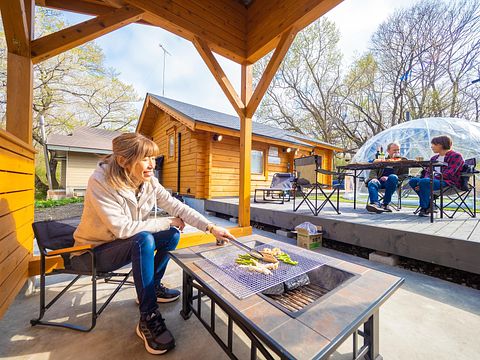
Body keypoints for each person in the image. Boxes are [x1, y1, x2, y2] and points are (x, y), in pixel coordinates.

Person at [72, 133, 235, 355]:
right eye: (146, 158)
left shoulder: (147, 180)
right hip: (94, 252)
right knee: (146, 236)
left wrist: (211, 228)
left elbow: (177, 206)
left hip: (126, 243)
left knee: (171, 234)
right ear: (123, 161)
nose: (153, 164)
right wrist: (167, 220)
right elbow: (122, 228)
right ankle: (148, 316)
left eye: (154, 158)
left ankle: (151, 289)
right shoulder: (101, 181)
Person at [408, 135, 464, 217]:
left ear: (441, 145)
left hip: (448, 182)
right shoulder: (434, 158)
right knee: (413, 181)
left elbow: (450, 173)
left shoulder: (456, 156)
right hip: (431, 182)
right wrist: (422, 182)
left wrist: (426, 181)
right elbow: (427, 172)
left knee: (424, 181)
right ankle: (429, 205)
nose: (432, 147)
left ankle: (424, 208)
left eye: (434, 144)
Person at [366, 142, 408, 213]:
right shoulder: (382, 160)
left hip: (393, 182)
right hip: (380, 182)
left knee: (392, 177)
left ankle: (385, 204)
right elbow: (373, 170)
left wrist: (388, 177)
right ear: (388, 151)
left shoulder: (403, 161)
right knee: (372, 182)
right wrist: (374, 178)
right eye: (394, 150)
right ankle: (375, 204)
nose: (397, 152)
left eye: (398, 150)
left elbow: (405, 175)